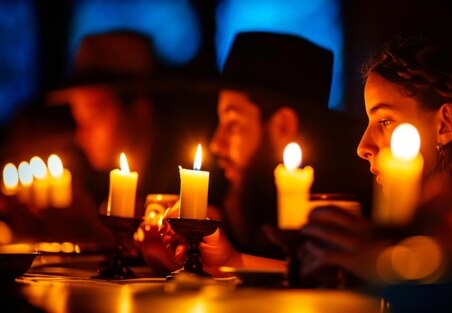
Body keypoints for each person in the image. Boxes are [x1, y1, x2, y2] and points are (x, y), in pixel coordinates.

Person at [297, 35, 452, 296]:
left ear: (445, 124)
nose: (362, 147)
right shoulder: (425, 225)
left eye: (384, 121)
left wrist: (380, 265)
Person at [159, 32, 371, 274]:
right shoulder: (243, 200)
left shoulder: (336, 212)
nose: (217, 143)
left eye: (233, 124)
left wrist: (232, 260)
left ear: (282, 126)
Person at [43, 30, 217, 273]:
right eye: (77, 120)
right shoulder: (92, 182)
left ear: (139, 109)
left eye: (93, 117)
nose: (81, 135)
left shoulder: (191, 185)